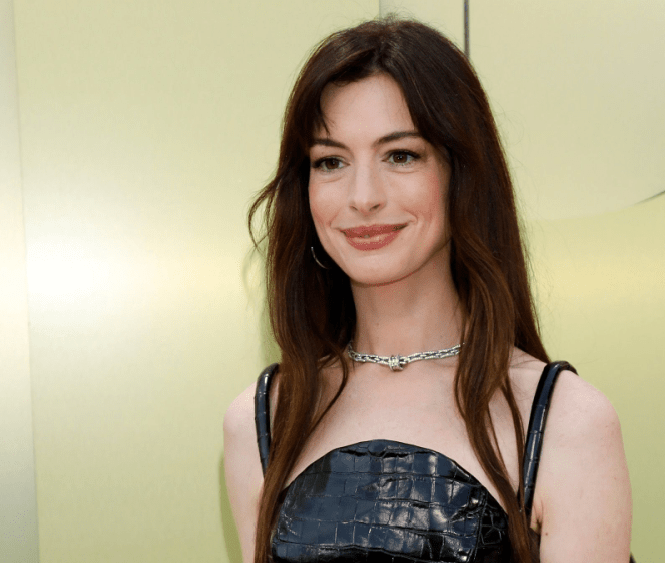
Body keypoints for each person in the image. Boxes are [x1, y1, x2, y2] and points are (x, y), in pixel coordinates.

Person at [224, 17, 632, 563]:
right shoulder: (263, 419)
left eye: (401, 155)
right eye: (331, 162)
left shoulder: (567, 421)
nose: (363, 196)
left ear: (462, 174)